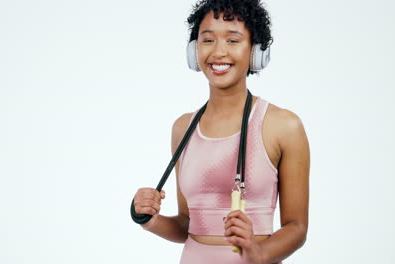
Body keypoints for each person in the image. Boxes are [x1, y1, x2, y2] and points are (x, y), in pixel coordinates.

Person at [131, 0, 310, 263]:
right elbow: (186, 224)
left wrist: (259, 253)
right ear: (194, 51)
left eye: (233, 40)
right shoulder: (183, 128)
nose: (218, 52)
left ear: (255, 52)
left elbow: (297, 227)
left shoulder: (283, 125)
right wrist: (148, 219)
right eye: (208, 40)